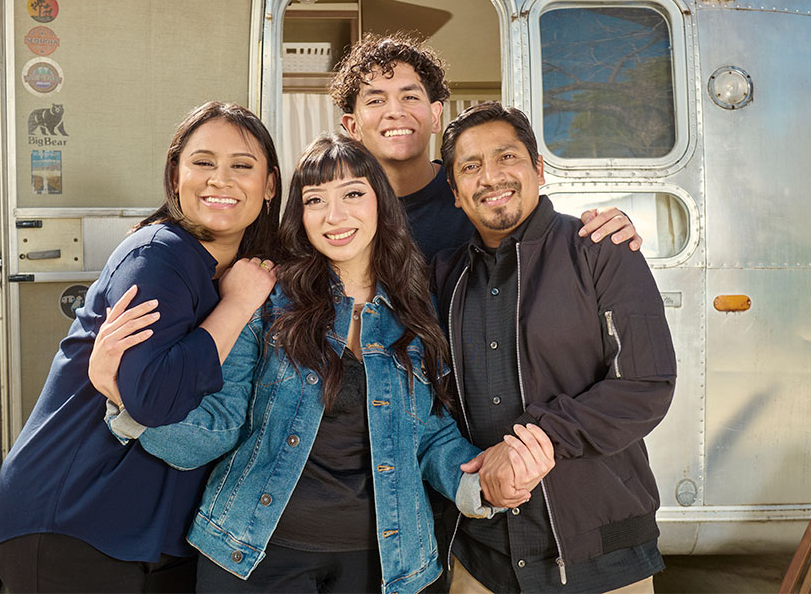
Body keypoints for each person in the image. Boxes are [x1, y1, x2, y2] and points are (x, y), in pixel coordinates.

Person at [95, 133, 556, 594]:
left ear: (381, 203)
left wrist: (479, 486)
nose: (335, 216)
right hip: (251, 552)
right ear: (301, 214)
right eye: (315, 200)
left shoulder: (419, 308)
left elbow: (431, 433)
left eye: (353, 194)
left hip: (389, 563)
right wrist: (130, 403)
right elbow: (221, 425)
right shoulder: (269, 302)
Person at [0, 102, 282, 592]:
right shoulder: (159, 256)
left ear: (270, 184)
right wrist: (238, 305)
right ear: (175, 174)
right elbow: (154, 399)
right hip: (74, 522)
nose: (220, 180)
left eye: (242, 166)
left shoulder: (239, 272)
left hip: (151, 536)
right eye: (203, 162)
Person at [434, 103, 677, 594]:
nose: (492, 177)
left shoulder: (601, 249)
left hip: (601, 557)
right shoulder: (444, 276)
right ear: (456, 193)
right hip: (484, 559)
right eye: (471, 166)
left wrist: (528, 445)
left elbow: (646, 385)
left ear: (538, 168)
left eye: (507, 157)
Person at [328, 32, 643, 262]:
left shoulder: (476, 191)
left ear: (435, 115)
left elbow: (539, 235)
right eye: (376, 100)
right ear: (352, 126)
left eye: (410, 97)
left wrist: (602, 227)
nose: (395, 111)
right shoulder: (338, 210)